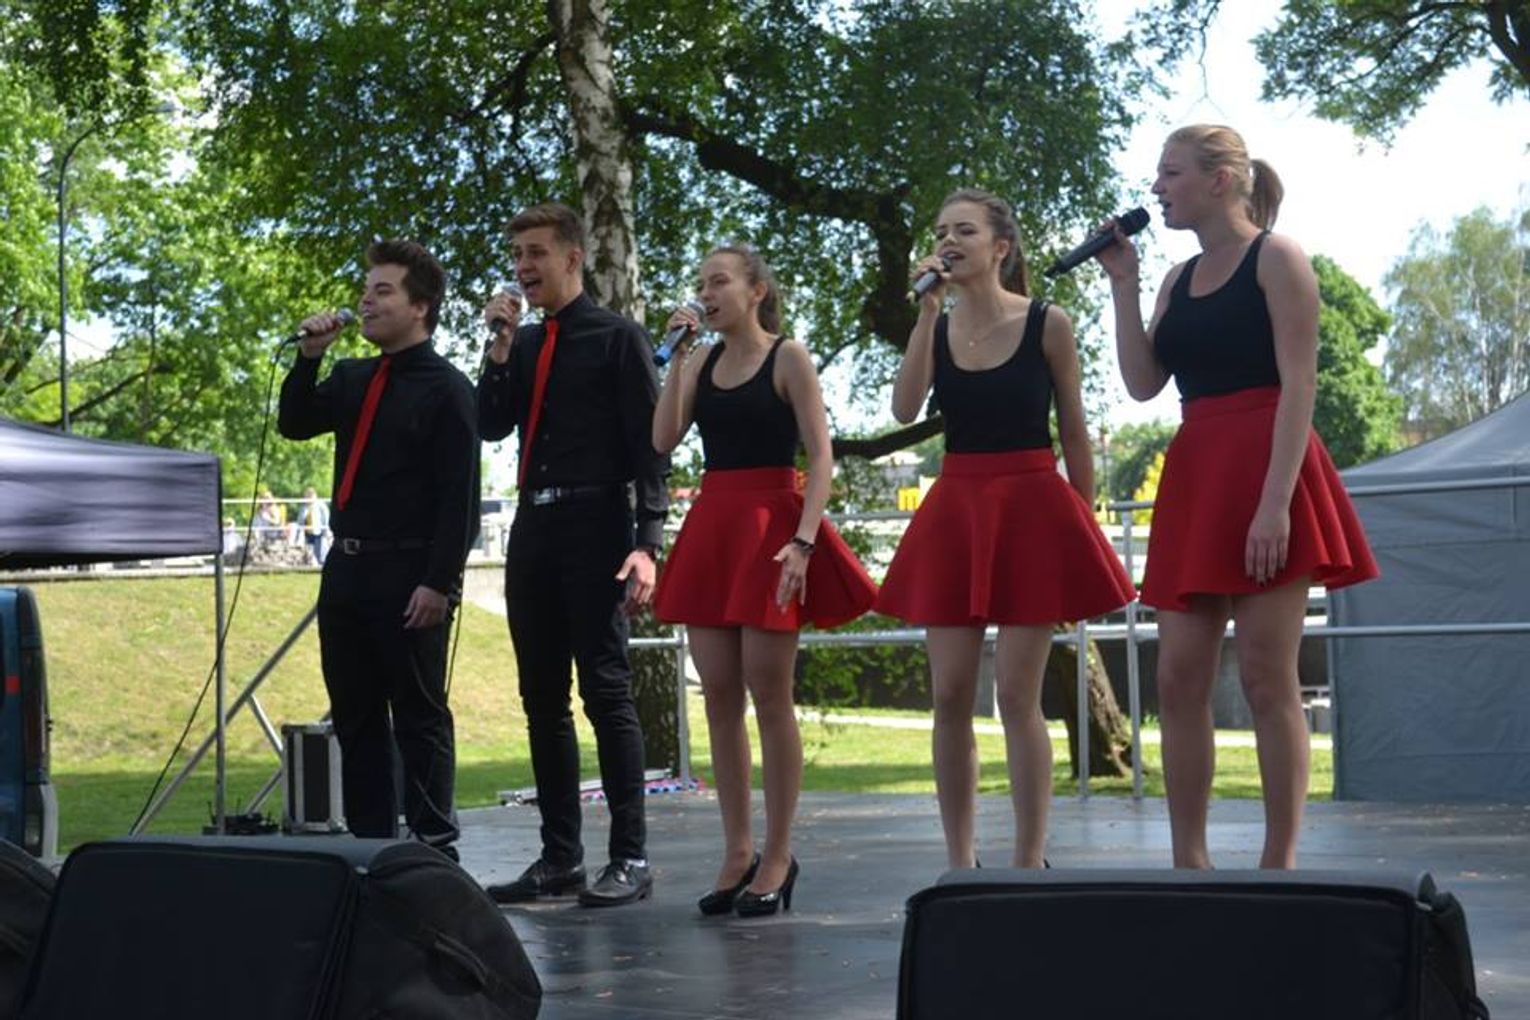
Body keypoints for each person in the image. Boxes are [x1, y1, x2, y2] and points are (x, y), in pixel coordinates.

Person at [1097, 125, 1377, 869]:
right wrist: (1123, 285)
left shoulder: (1277, 258)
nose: (1156, 188)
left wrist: (1275, 505)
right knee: (1176, 677)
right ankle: (1190, 861)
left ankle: (1279, 862)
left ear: (1220, 180)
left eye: (1171, 173)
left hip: (1269, 468)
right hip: (1198, 472)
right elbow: (1143, 384)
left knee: (1264, 674)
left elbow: (1300, 385)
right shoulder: (1175, 278)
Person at [876, 189, 1135, 870]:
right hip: (958, 509)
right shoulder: (936, 327)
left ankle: (1028, 860)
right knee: (949, 695)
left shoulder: (1050, 322)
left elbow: (1074, 431)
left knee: (1017, 695)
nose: (948, 241)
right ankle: (961, 862)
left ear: (1000, 247)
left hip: (1033, 509)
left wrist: (1081, 534)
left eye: (964, 230)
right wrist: (925, 312)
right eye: (941, 231)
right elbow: (904, 408)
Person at [651, 244, 878, 917]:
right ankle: (737, 850)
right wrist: (678, 360)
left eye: (719, 281)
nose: (706, 293)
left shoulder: (788, 357)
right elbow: (663, 439)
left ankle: (778, 853)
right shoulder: (701, 360)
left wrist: (804, 542)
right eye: (701, 283)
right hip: (714, 527)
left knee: (769, 695)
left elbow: (821, 455)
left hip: (773, 528)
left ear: (756, 291)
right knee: (718, 697)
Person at [478, 202, 668, 908]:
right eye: (517, 255)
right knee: (541, 698)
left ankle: (631, 857)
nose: (523, 267)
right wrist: (499, 350)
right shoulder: (524, 343)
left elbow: (650, 446)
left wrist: (647, 543)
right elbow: (490, 423)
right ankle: (559, 858)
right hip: (535, 524)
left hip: (598, 523)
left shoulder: (618, 338)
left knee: (605, 690)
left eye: (536, 253)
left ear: (572, 257)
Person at [278, 238, 478, 862]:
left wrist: (439, 582)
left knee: (418, 713)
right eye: (365, 290)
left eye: (382, 291)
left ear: (420, 306)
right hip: (348, 567)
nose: (365, 301)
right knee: (355, 714)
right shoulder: (353, 377)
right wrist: (309, 359)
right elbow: (294, 422)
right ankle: (371, 849)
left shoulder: (448, 389)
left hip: (410, 568)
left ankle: (433, 847)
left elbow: (460, 499)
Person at [300, 486, 330, 565]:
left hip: (318, 532)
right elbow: (300, 520)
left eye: (309, 496)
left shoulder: (321, 505)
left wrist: (326, 530)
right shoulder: (304, 507)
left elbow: (326, 517)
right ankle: (310, 563)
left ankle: (320, 563)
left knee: (319, 551)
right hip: (307, 532)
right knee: (309, 550)